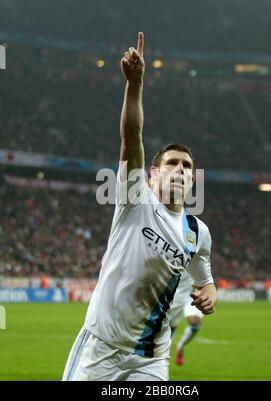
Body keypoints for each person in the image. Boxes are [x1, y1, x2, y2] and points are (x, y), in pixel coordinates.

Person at [62, 32, 217, 381]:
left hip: (150, 359)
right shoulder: (135, 199)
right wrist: (135, 84)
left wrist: (210, 296)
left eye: (187, 167)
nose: (180, 170)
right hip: (102, 348)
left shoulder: (198, 233)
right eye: (172, 164)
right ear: (152, 174)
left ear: (193, 180)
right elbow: (131, 136)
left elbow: (206, 282)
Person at [168, 270, 203, 366]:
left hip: (191, 296)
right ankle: (161, 357)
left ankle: (180, 346)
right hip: (176, 295)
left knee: (195, 324)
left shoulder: (199, 256)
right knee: (169, 330)